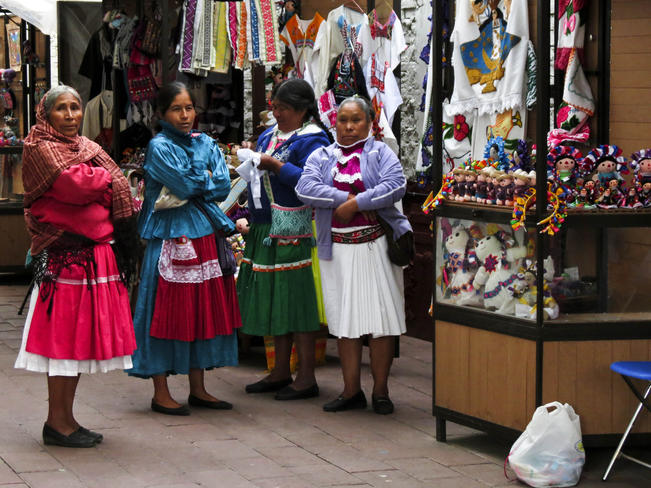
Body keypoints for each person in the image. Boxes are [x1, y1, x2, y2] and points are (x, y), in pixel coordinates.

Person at [15, 85, 139, 447]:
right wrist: (100, 182)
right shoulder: (39, 147)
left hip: (92, 258)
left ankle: (66, 419)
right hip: (66, 262)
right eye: (61, 109)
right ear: (46, 114)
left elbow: (104, 191)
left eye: (75, 107)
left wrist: (94, 185)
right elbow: (76, 189)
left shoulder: (88, 148)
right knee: (64, 345)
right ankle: (56, 423)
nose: (70, 115)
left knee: (78, 342)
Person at [127, 82, 241, 415]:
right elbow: (189, 184)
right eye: (177, 109)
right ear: (162, 114)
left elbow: (222, 185)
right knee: (162, 312)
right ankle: (160, 391)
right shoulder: (158, 147)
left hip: (203, 234)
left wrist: (198, 181)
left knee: (200, 311)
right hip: (170, 238)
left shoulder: (206, 142)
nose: (185, 115)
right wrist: (201, 178)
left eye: (189, 107)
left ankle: (199, 388)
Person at [296, 95, 411, 414]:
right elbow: (305, 188)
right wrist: (343, 197)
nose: (348, 126)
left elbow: (396, 185)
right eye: (342, 120)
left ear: (370, 123)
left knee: (381, 321)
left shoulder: (381, 153)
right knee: (344, 321)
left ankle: (381, 391)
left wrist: (358, 204)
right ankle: (350, 391)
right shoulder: (322, 155)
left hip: (377, 248)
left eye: (355, 120)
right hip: (338, 251)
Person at [237, 79, 331, 400]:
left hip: (294, 229)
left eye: (283, 108)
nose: (276, 113)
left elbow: (311, 182)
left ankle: (306, 376)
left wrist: (275, 165)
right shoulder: (268, 135)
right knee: (276, 296)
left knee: (296, 299)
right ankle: (279, 371)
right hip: (265, 228)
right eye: (274, 107)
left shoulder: (315, 140)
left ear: (302, 111)